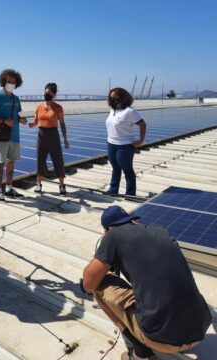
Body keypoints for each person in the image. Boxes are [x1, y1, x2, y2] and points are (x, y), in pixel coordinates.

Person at [82, 205, 211, 360]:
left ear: (107, 229)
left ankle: (140, 352)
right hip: (200, 329)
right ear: (131, 220)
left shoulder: (113, 236)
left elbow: (89, 284)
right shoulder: (161, 231)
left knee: (98, 285)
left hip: (162, 339)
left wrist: (85, 285)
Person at [0, 69, 27, 201]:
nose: (11, 83)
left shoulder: (16, 99)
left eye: (13, 82)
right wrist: (4, 121)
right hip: (2, 136)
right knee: (0, 164)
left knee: (11, 163)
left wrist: (21, 119)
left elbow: (17, 116)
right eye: (8, 81)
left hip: (15, 136)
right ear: (3, 81)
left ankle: (8, 188)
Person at [29, 83, 69, 195]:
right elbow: (36, 121)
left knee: (57, 160)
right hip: (41, 135)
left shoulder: (58, 107)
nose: (46, 94)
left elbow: (62, 124)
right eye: (45, 91)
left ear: (54, 94)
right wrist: (32, 124)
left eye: (49, 92)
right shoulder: (39, 107)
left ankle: (62, 185)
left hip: (53, 135)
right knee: (40, 160)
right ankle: (38, 184)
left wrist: (65, 139)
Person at [106, 88, 146, 196]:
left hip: (124, 146)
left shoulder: (130, 111)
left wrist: (140, 141)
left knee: (127, 170)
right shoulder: (112, 110)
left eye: (115, 97)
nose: (113, 100)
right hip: (111, 144)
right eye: (111, 98)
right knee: (115, 168)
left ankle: (130, 194)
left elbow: (143, 124)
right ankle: (113, 190)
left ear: (122, 97)